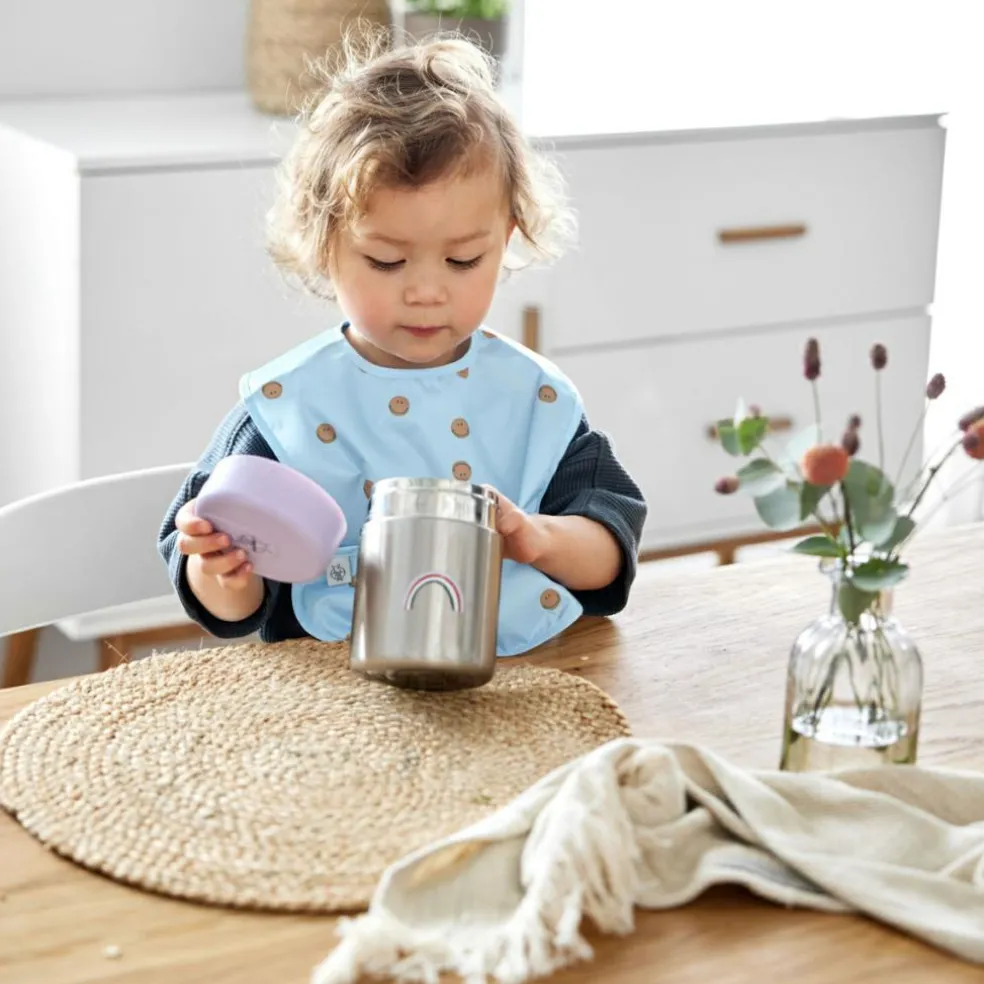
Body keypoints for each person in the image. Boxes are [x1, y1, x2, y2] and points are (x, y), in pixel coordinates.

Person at [157, 30, 647, 656]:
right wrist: (223, 573)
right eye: (387, 261)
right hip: (330, 686)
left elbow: (610, 552)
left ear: (507, 239)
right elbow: (228, 606)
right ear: (324, 245)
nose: (426, 292)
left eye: (463, 260)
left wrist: (538, 538)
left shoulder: (533, 399)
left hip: (528, 668)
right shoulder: (287, 409)